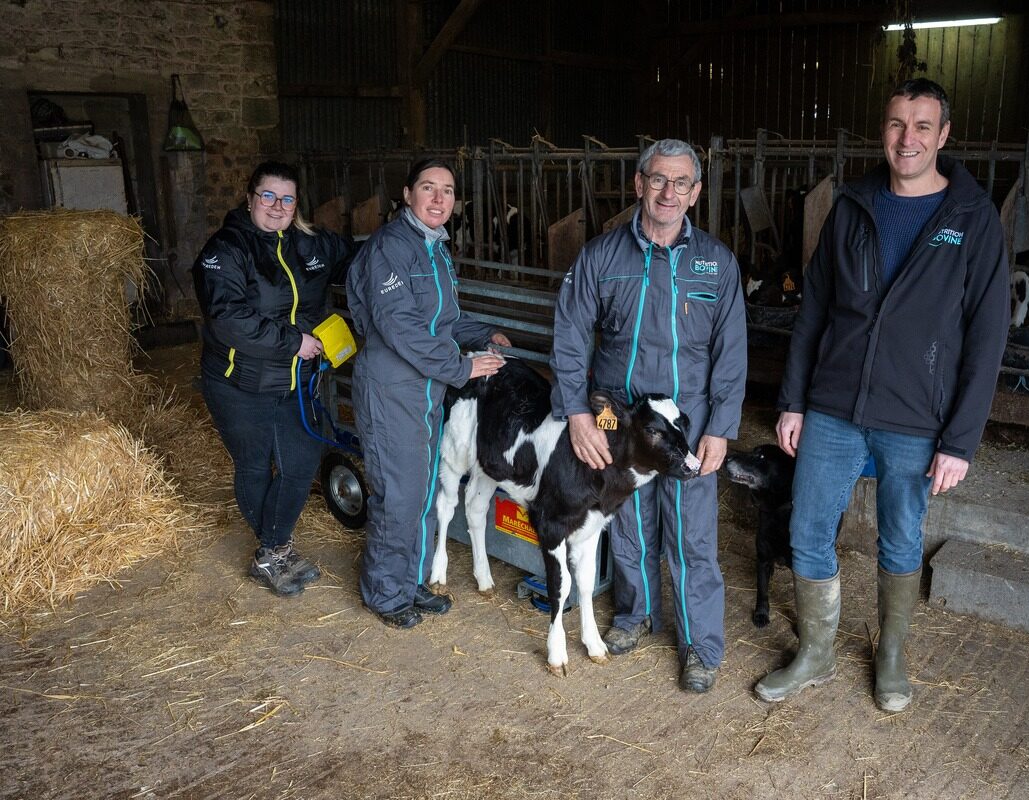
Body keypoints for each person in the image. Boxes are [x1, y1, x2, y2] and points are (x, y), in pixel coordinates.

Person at [757, 79, 1009, 711]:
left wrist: (960, 440)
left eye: (923, 126)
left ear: (944, 136)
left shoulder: (972, 219)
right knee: (810, 531)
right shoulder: (853, 206)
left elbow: (987, 336)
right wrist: (792, 400)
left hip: (917, 415)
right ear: (883, 132)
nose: (908, 138)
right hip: (834, 406)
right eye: (897, 124)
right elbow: (814, 308)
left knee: (899, 540)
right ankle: (815, 653)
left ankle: (891, 656)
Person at [550, 139, 747, 693]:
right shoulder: (601, 256)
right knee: (628, 523)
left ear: (696, 193)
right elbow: (570, 336)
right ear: (639, 184)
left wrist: (721, 428)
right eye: (657, 179)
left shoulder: (717, 262)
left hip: (689, 427)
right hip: (623, 425)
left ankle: (700, 646)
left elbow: (732, 352)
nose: (668, 192)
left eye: (680, 182)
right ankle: (636, 617)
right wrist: (577, 413)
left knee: (692, 537)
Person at [345, 157, 510, 630]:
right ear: (407, 194)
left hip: (425, 388)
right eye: (428, 188)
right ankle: (385, 592)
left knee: (421, 492)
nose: (439, 199)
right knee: (398, 495)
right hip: (393, 387)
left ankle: (411, 582)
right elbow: (399, 325)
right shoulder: (389, 249)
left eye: (448, 191)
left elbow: (444, 320)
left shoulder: (435, 249)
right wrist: (461, 365)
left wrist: (485, 334)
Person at [194, 160, 351, 597]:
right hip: (238, 382)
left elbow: (354, 259)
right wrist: (292, 342)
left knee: (301, 462)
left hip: (297, 379)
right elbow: (226, 317)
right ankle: (275, 551)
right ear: (249, 199)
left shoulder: (309, 242)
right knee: (255, 463)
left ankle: (271, 547)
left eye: (287, 198)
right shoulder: (226, 249)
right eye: (268, 196)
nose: (277, 206)